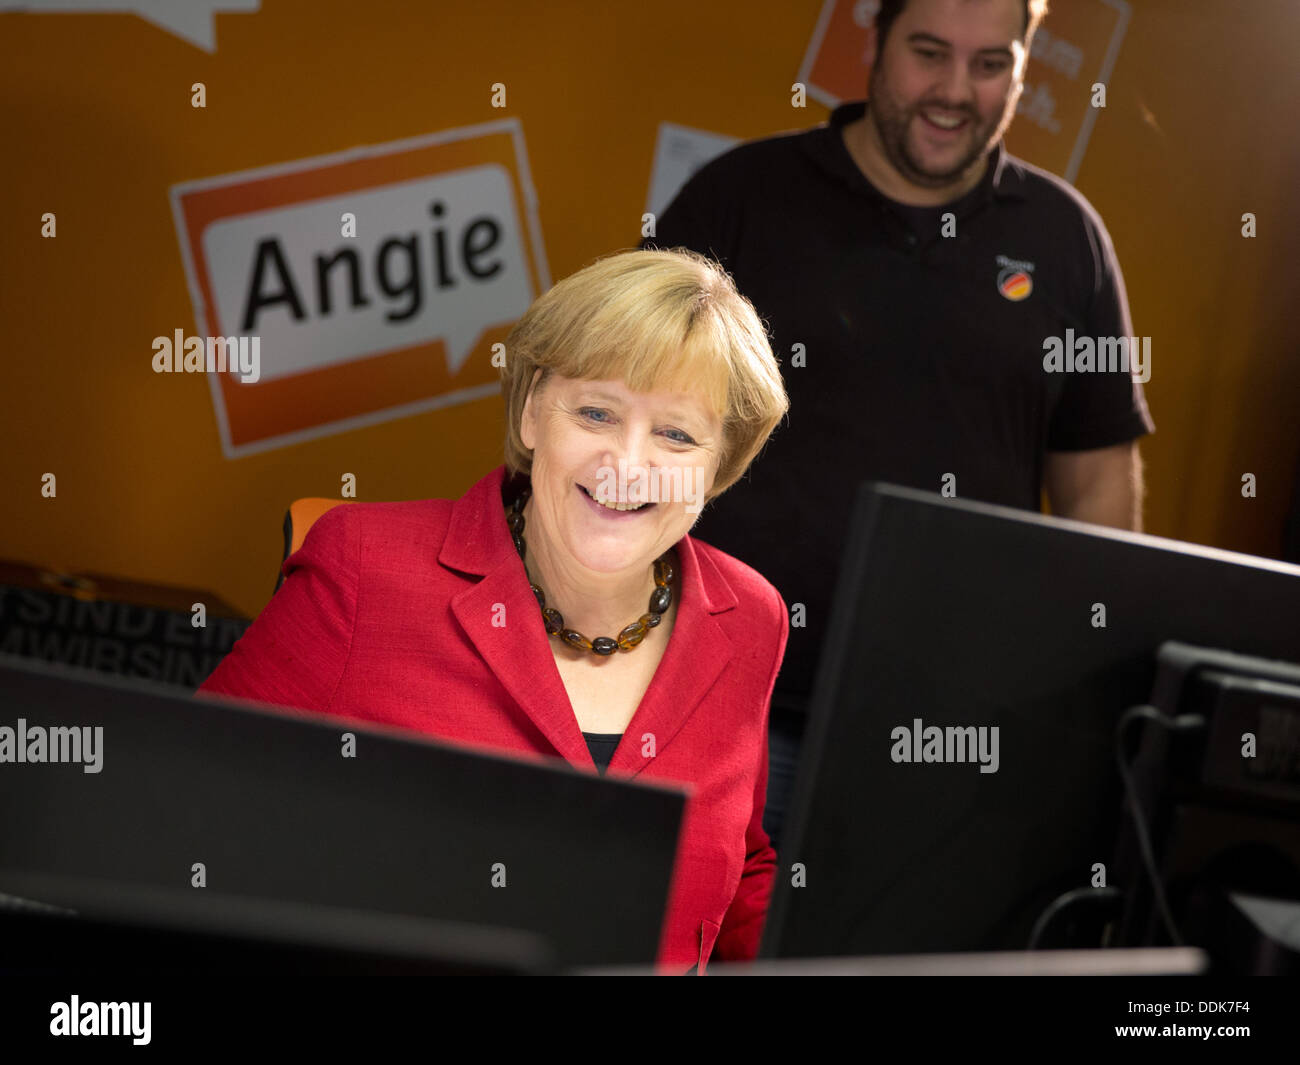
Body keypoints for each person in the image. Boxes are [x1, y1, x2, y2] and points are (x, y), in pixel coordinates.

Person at [642, 0, 1155, 851]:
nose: (955, 91)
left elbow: (1099, 484)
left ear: (1026, 66)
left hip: (951, 746)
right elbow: (631, 422)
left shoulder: (1069, 241)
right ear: (874, 40)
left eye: (992, 64)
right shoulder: (739, 198)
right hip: (715, 706)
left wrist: (1085, 711)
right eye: (928, 53)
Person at [197, 248, 790, 975]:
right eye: (597, 412)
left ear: (719, 464)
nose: (628, 463)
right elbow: (187, 806)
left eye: (676, 434)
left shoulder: (750, 618)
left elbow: (741, 873)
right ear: (535, 410)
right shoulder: (364, 568)